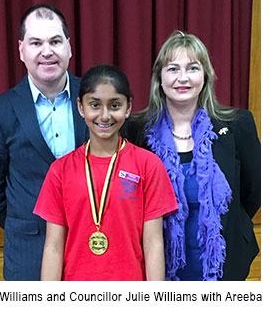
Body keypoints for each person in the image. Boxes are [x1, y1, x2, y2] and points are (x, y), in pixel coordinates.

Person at [124, 30, 261, 281]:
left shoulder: (238, 125)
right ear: (159, 78)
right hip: (155, 270)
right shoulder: (135, 132)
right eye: (173, 69)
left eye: (193, 68)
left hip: (224, 267)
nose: (183, 78)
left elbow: (254, 191)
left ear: (205, 76)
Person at [0, 3, 89, 281]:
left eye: (55, 41)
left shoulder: (95, 99)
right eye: (36, 42)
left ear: (69, 48)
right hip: (29, 256)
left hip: (92, 251)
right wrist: (24, 222)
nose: (47, 51)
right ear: (21, 49)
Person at [33, 64, 178, 280]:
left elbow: (154, 243)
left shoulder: (148, 165)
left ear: (128, 108)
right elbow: (53, 247)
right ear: (81, 107)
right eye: (94, 105)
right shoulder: (60, 171)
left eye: (115, 105)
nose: (104, 115)